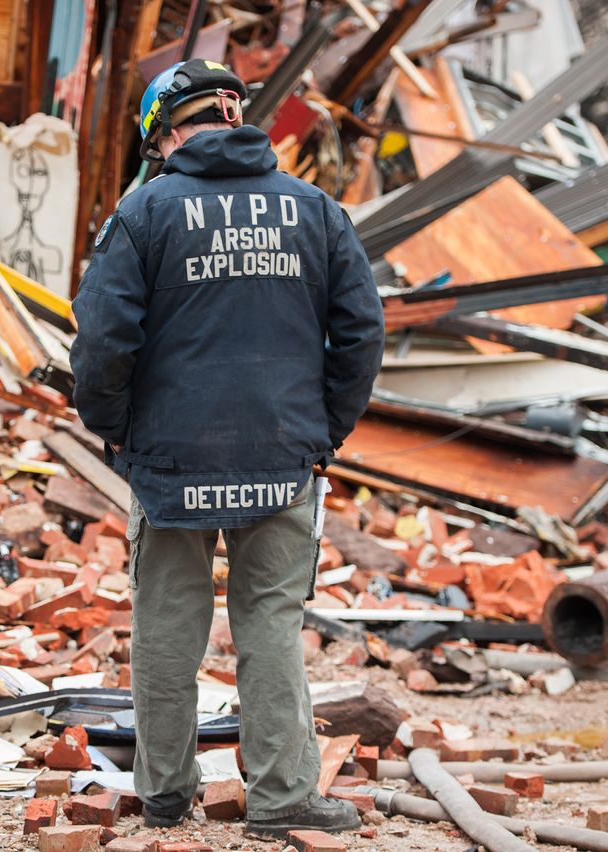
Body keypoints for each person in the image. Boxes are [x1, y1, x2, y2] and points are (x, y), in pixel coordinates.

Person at [69, 59, 384, 839]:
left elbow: (104, 343)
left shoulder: (142, 216)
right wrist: (324, 429)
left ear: (163, 134)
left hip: (172, 461)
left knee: (168, 623)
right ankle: (283, 802)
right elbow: (362, 333)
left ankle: (167, 797)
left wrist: (115, 430)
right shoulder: (314, 211)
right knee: (271, 622)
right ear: (236, 117)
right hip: (282, 457)